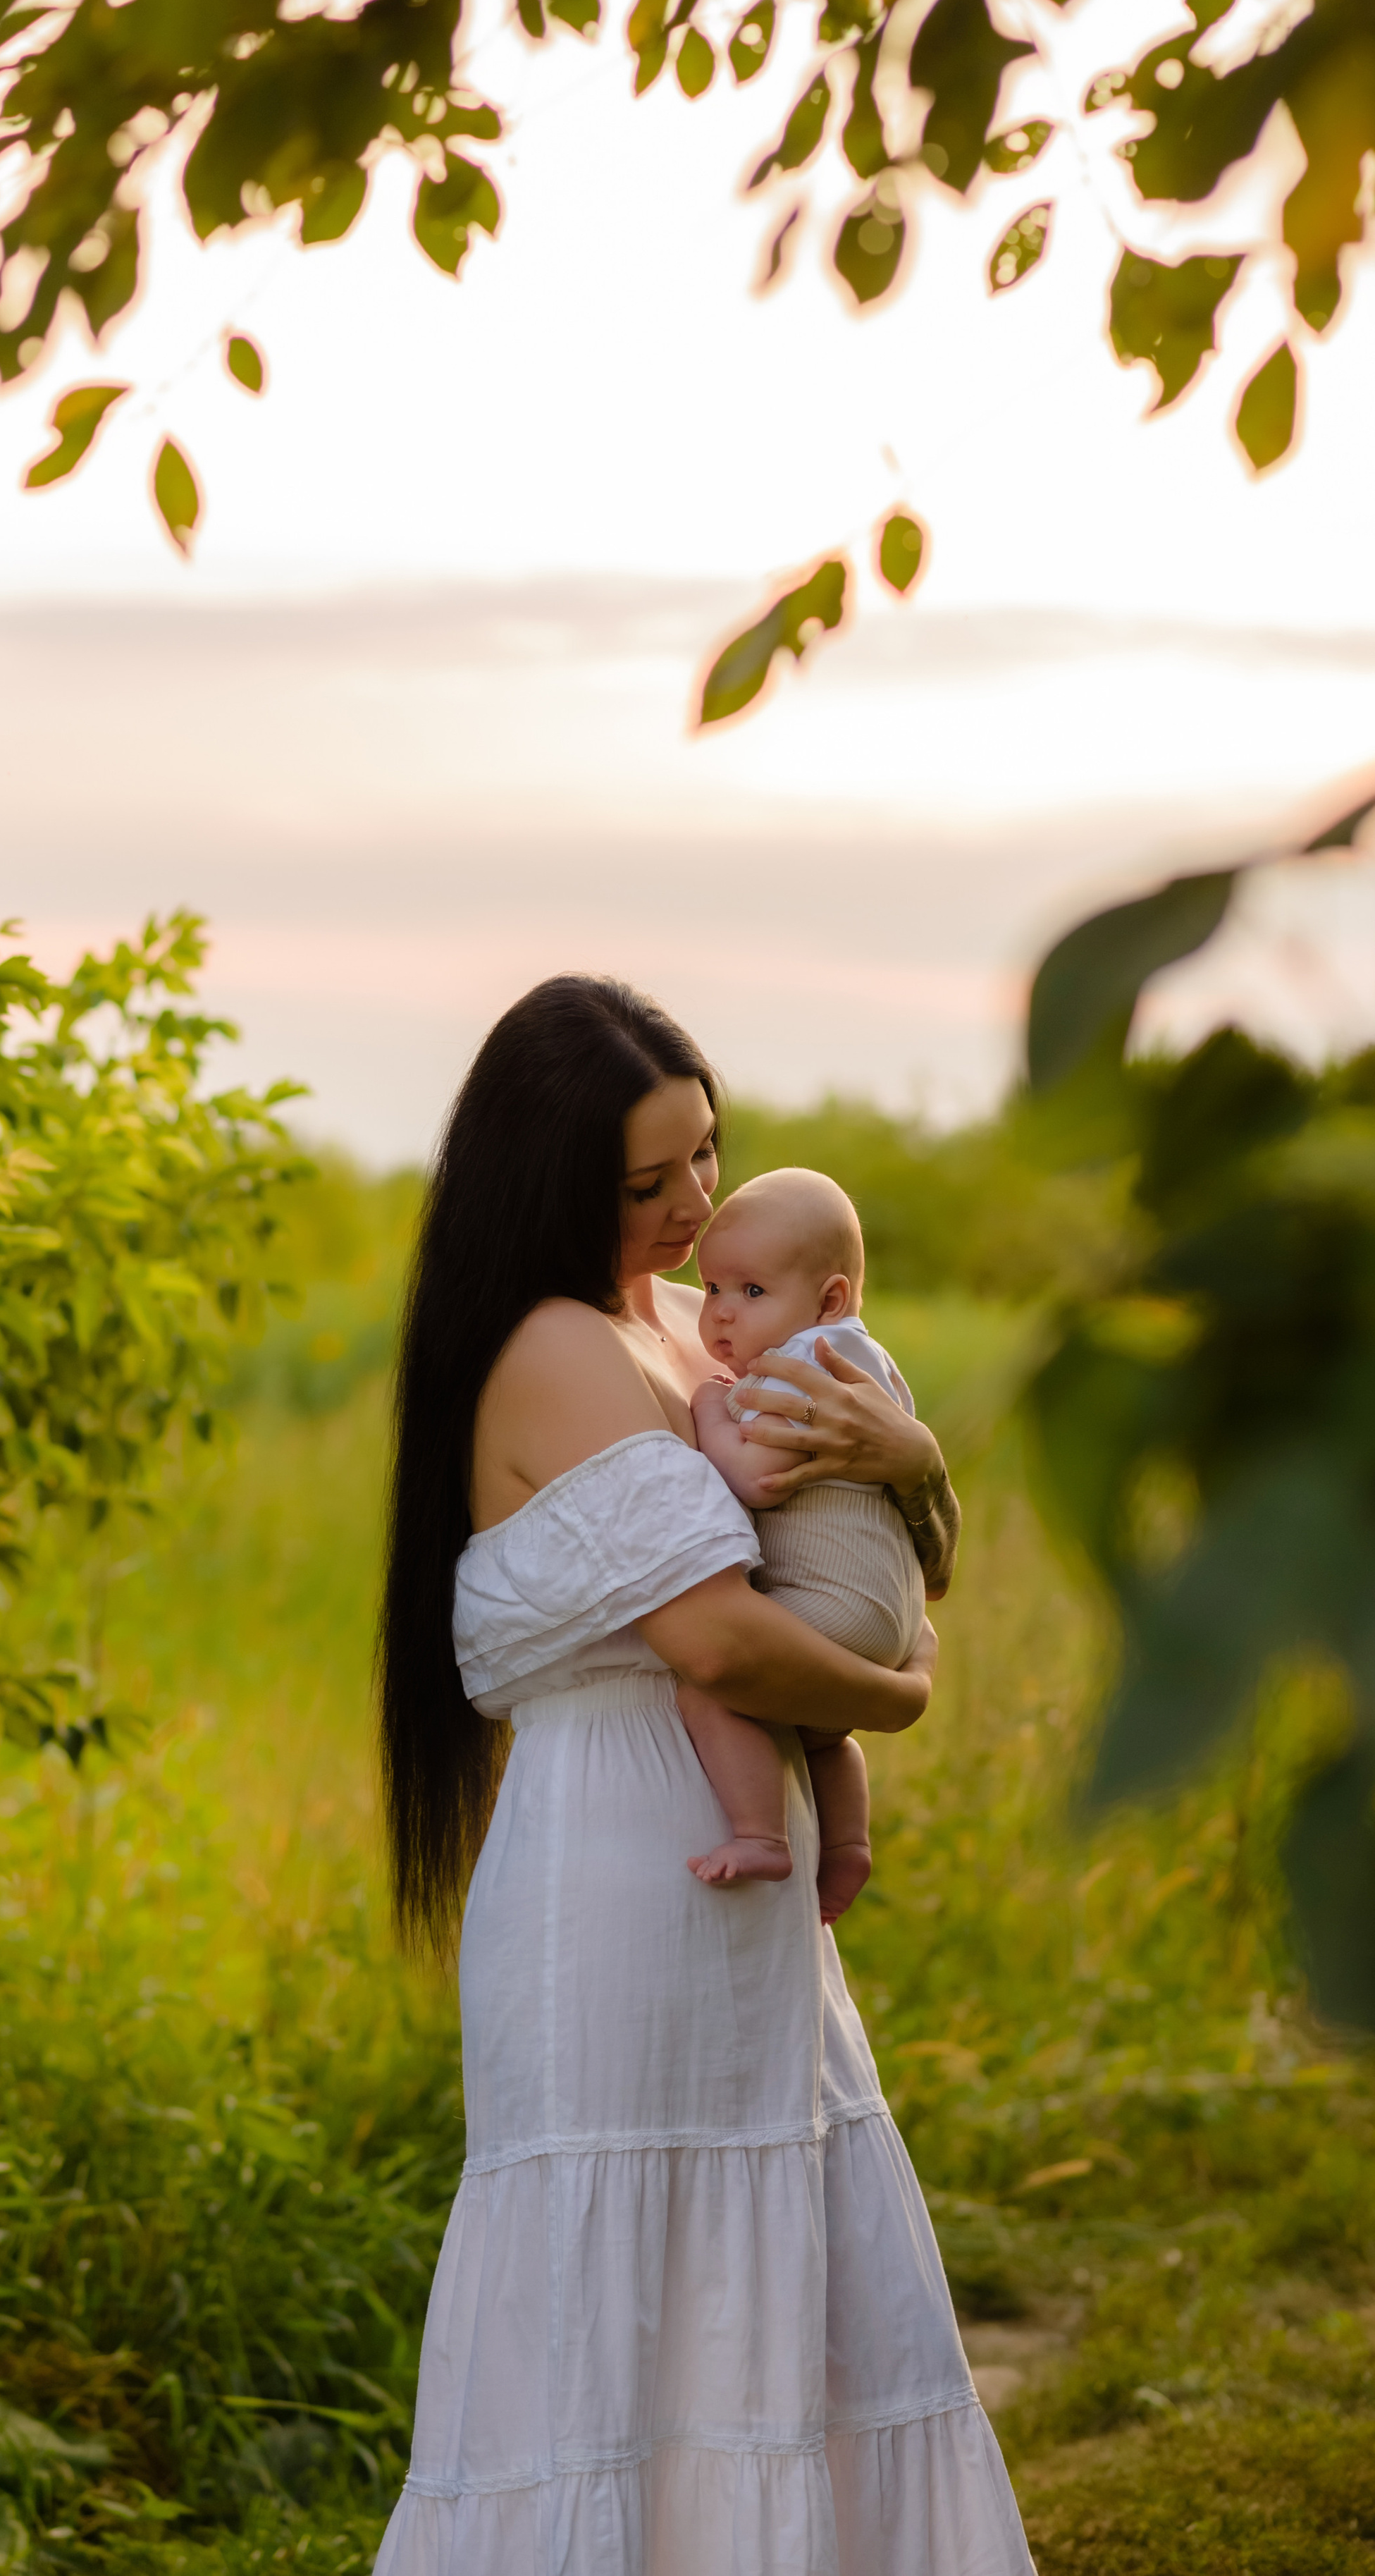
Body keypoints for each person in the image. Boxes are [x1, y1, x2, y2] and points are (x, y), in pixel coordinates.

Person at [373, 974, 1035, 2576]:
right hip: (616, 1882)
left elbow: (854, 1547)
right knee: (611, 2338)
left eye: (703, 1156)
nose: (690, 1206)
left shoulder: (698, 1322)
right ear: (548, 1181)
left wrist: (913, 1483)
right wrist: (895, 1695)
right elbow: (724, 1646)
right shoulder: (547, 1347)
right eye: (645, 1180)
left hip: (752, 1899)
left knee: (785, 2308)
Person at [682, 1166, 927, 1919]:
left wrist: (710, 1415)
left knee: (715, 1690)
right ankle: (848, 1847)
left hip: (834, 1606)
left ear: (829, 1300)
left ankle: (761, 1834)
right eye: (713, 1288)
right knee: (822, 1735)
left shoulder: (803, 1365)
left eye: (750, 1292)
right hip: (894, 1614)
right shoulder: (870, 1361)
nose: (721, 1315)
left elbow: (757, 1478)